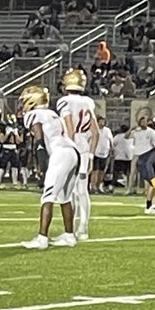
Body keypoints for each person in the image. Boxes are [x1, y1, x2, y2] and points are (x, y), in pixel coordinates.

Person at [19, 85, 79, 249]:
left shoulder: (34, 114)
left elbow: (39, 141)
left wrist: (41, 164)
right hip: (73, 151)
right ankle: (69, 236)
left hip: (59, 154)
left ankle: (42, 239)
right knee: (65, 197)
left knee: (48, 197)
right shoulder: (53, 114)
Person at [57, 68, 99, 240]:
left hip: (72, 145)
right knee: (82, 190)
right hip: (84, 147)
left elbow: (70, 129)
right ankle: (83, 228)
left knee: (70, 191)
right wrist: (90, 156)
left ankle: (71, 230)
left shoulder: (64, 101)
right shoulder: (88, 102)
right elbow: (95, 132)